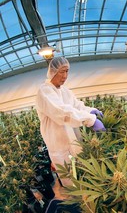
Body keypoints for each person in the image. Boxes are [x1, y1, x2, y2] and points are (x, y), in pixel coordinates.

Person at [35, 56, 105, 187]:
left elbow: (77, 106)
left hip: (74, 142)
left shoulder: (65, 91)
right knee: (72, 185)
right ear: (53, 72)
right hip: (59, 148)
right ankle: (77, 205)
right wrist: (90, 120)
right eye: (62, 71)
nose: (65, 75)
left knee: (83, 178)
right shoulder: (45, 91)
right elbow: (63, 113)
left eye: (67, 71)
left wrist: (91, 111)